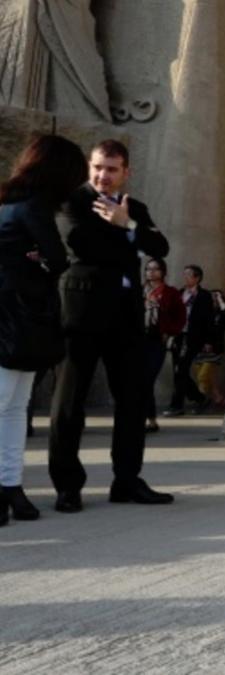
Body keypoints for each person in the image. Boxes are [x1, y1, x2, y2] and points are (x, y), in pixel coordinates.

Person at [50, 139, 174, 511]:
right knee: (69, 402)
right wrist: (130, 238)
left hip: (126, 316)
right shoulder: (71, 202)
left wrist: (128, 224)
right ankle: (67, 486)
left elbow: (161, 248)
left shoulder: (135, 208)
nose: (103, 176)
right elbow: (84, 246)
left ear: (126, 172)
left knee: (133, 400)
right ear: (90, 167)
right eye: (98, 168)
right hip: (82, 312)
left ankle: (127, 480)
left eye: (112, 169)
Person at [0, 134, 86, 524]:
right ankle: (8, 486)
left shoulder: (10, 201)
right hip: (15, 319)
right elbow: (57, 258)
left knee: (13, 407)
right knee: (11, 407)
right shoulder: (32, 207)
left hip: (16, 318)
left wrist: (38, 261)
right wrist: (41, 262)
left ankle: (10, 486)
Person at [142, 257, 185, 432]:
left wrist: (169, 332)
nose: (151, 272)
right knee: (139, 380)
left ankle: (150, 418)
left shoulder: (170, 293)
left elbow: (180, 317)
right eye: (148, 269)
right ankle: (147, 418)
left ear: (163, 271)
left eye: (155, 269)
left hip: (157, 340)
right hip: (138, 339)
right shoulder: (140, 290)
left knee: (147, 378)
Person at [164, 264, 213, 415]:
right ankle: (200, 398)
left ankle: (176, 406)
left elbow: (208, 319)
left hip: (193, 337)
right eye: (184, 274)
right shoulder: (179, 293)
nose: (185, 277)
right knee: (179, 371)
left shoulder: (204, 295)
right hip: (178, 336)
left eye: (188, 275)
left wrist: (208, 341)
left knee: (181, 370)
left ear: (197, 278)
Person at [194, 289, 225, 409]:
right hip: (199, 348)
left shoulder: (221, 314)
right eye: (211, 297)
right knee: (208, 378)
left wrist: (220, 299)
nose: (213, 299)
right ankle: (218, 398)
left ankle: (201, 401)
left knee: (203, 377)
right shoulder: (203, 312)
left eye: (216, 297)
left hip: (215, 349)